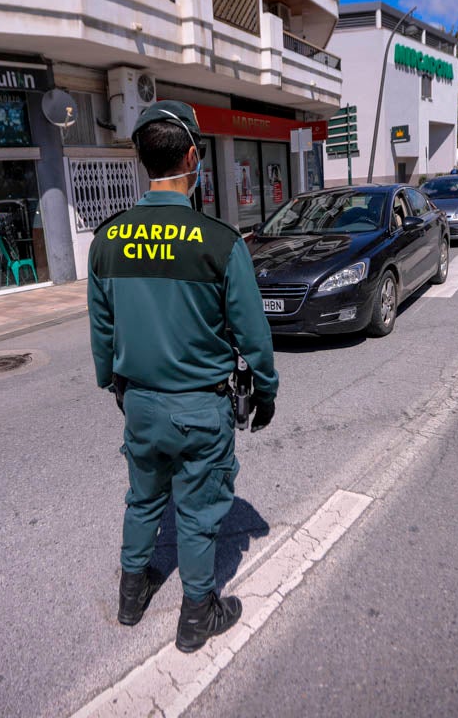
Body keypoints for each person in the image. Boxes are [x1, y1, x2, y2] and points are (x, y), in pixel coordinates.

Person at [87, 101, 279, 652]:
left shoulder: (107, 240)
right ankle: (197, 615)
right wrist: (264, 393)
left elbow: (102, 333)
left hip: (141, 403)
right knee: (196, 512)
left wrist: (114, 384)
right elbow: (252, 335)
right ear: (194, 156)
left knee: (143, 498)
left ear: (142, 159)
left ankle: (131, 596)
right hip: (201, 408)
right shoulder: (220, 242)